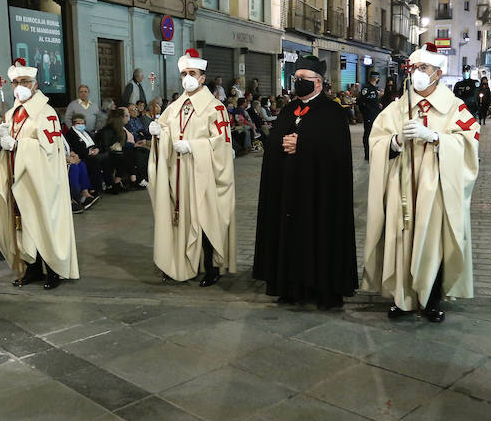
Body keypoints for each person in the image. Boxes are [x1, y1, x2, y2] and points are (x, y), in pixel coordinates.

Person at [362, 43, 481, 323]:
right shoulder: (397, 108)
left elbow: (470, 142)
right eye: (414, 68)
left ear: (438, 73)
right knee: (401, 238)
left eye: (424, 68)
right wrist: (395, 141)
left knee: (433, 242)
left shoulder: (455, 107)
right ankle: (402, 298)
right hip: (402, 185)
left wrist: (436, 137)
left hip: (436, 187)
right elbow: (376, 141)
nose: (417, 73)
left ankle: (430, 300)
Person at [253, 55, 356, 309]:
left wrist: (303, 144)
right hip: (288, 191)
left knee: (319, 236)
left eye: (304, 79)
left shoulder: (332, 112)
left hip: (319, 194)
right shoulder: (288, 110)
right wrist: (281, 143)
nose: (298, 83)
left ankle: (323, 289)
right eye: (296, 78)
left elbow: (338, 153)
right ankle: (288, 286)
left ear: (318, 83)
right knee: (288, 236)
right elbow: (274, 143)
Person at [146, 48, 237, 285]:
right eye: (184, 73)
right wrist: (158, 133)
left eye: (192, 73)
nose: (187, 77)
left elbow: (222, 144)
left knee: (205, 218)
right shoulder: (175, 106)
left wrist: (194, 146)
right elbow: (166, 128)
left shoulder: (215, 107)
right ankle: (181, 263)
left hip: (203, 174)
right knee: (180, 219)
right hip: (179, 173)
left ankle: (211, 267)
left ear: (202, 78)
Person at [0, 58, 78, 290]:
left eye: (25, 81)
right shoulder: (12, 114)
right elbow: (3, 142)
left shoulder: (45, 113)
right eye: (15, 82)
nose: (19, 86)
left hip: (42, 180)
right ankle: (33, 268)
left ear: (35, 85)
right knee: (24, 225)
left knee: (43, 223)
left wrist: (17, 145)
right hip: (19, 178)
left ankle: (54, 269)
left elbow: (48, 148)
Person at [64, 112, 110, 193]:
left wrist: (97, 149)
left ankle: (109, 183)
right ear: (73, 123)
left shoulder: (86, 132)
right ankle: (95, 188)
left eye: (83, 123)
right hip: (84, 154)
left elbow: (95, 143)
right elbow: (77, 148)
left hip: (93, 152)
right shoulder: (71, 134)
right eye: (78, 123)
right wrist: (89, 152)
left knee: (107, 157)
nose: (81, 125)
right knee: (94, 160)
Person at [358, 73, 382, 161]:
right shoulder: (366, 88)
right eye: (378, 78)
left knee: (374, 133)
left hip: (375, 115)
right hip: (369, 115)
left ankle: (373, 152)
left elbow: (372, 101)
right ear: (375, 78)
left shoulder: (374, 89)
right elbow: (361, 102)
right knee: (368, 134)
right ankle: (367, 154)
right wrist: (366, 113)